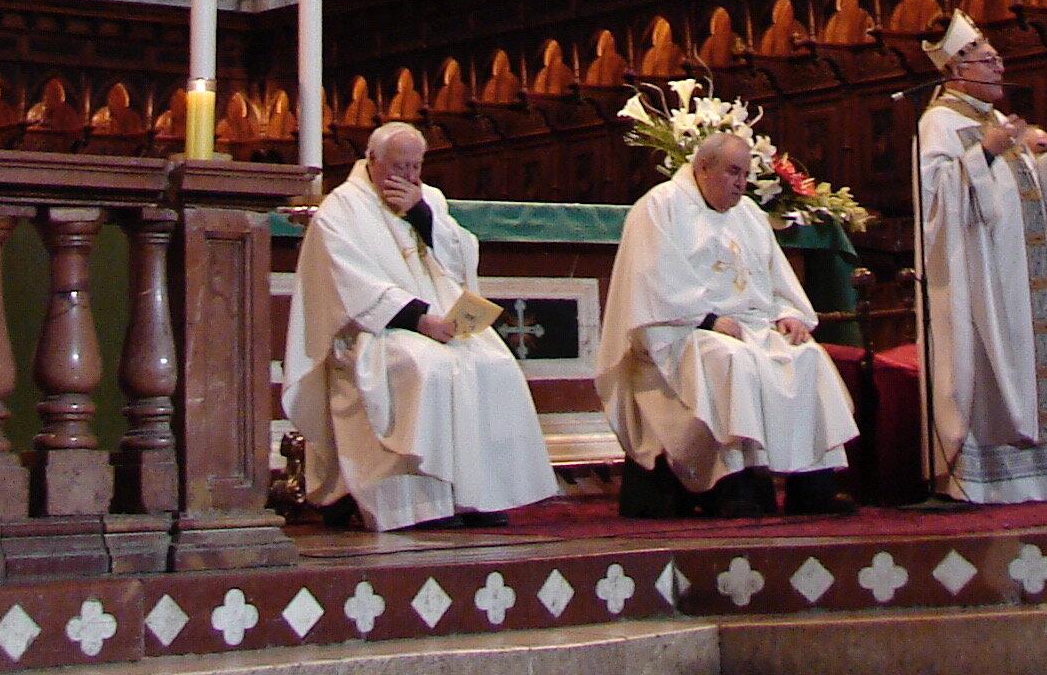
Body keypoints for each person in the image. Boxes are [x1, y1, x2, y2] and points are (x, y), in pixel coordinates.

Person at [283, 122, 558, 532]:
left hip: (436, 324)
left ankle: (477, 496)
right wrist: (417, 319)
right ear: (372, 161)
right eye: (399, 167)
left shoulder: (428, 198)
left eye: (416, 167)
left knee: (494, 364)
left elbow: (460, 255)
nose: (409, 177)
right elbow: (350, 281)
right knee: (422, 367)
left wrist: (422, 215)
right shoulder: (341, 209)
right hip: (376, 331)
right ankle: (421, 503)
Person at [597, 129, 858, 517]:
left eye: (746, 174)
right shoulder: (661, 207)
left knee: (807, 357)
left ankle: (812, 485)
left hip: (752, 326)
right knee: (731, 361)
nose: (742, 184)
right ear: (703, 167)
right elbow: (653, 282)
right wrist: (707, 318)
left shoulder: (749, 214)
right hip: (683, 331)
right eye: (733, 172)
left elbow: (775, 277)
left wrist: (788, 314)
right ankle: (733, 485)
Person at [914, 14, 1047, 504]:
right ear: (957, 67)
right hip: (981, 275)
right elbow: (933, 198)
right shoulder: (938, 121)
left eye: (998, 59)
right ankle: (983, 473)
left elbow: (1022, 194)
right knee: (995, 361)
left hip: (1024, 270)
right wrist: (984, 156)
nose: (1000, 67)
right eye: (988, 59)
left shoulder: (996, 121)